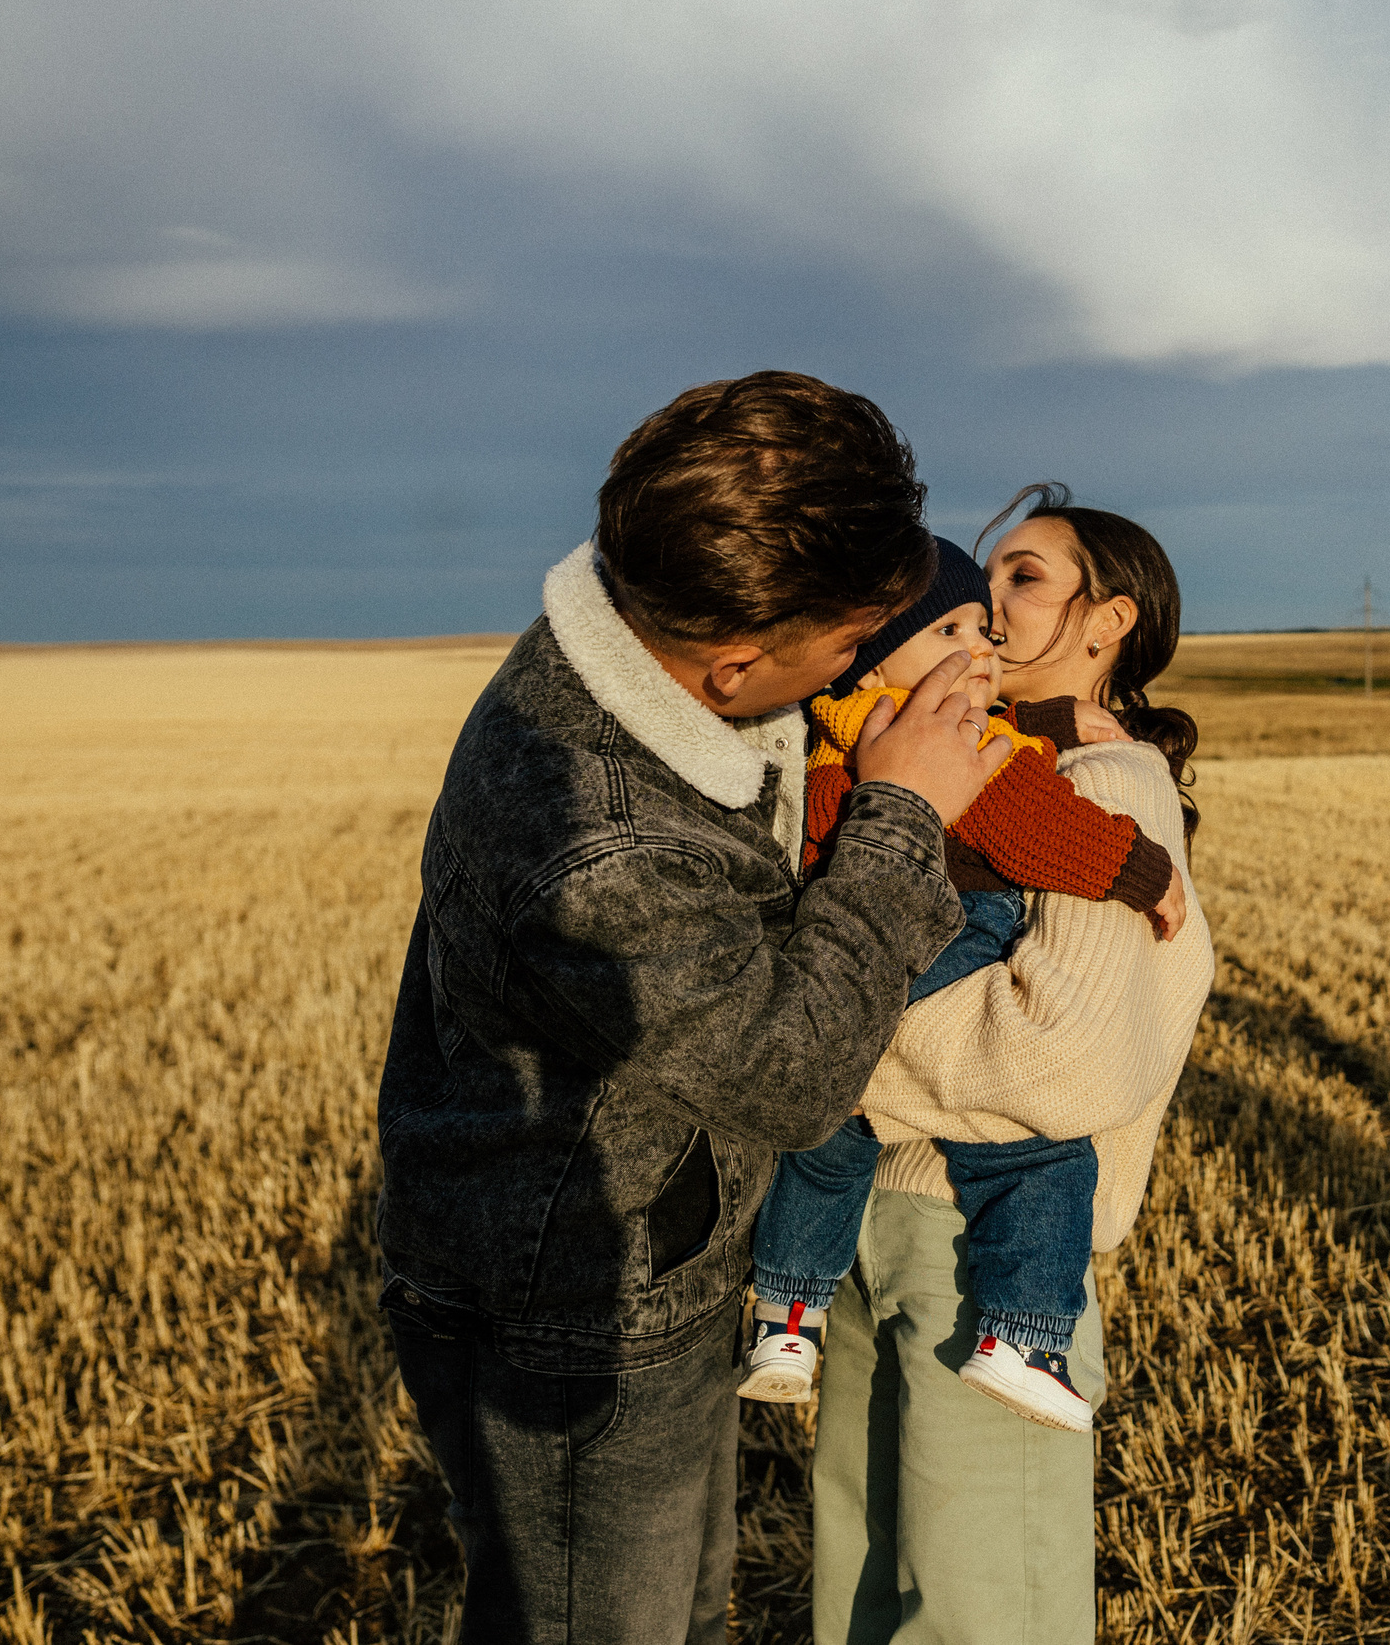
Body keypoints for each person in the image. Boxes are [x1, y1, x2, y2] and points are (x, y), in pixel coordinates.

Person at [374, 372, 1011, 1645]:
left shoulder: (632, 619)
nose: (866, 663)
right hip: (580, 1318)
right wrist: (902, 817)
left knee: (675, 1606)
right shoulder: (607, 854)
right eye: (848, 647)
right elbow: (787, 1078)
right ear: (730, 667)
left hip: (626, 1247)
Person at [807, 486, 1218, 1645]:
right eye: (981, 581)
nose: (982, 607)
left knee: (983, 1616)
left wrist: (818, 1057)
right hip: (858, 1234)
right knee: (857, 1598)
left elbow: (1059, 1057)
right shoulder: (949, 770)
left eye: (1025, 579)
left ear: (1108, 623)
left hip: (982, 1257)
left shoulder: (1106, 786)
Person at [737, 536, 1187, 1429]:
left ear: (1110, 621)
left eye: (1017, 585)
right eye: (959, 618)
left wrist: (847, 1065)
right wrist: (1145, 873)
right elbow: (1026, 816)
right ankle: (1023, 1332)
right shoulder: (956, 743)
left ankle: (786, 1314)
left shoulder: (833, 733)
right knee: (1042, 1156)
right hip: (931, 1210)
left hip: (856, 1016)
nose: (985, 633)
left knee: (823, 1145)